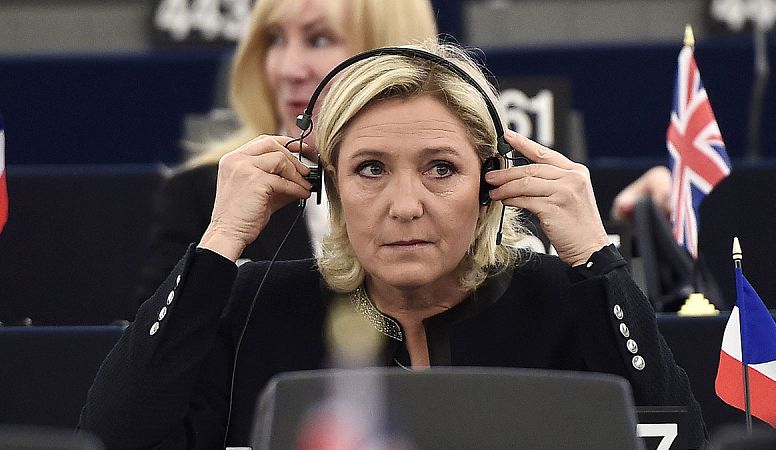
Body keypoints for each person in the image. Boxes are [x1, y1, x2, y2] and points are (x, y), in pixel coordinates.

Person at [80, 41, 707, 448]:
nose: (406, 205)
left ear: (490, 185)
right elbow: (114, 438)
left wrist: (596, 259)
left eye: (441, 169)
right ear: (328, 186)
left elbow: (673, 437)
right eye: (371, 169)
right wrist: (220, 243)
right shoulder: (254, 305)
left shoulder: (562, 300)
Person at [131, 0, 438, 311]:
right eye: (276, 39)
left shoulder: (459, 187)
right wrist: (222, 239)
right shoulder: (205, 193)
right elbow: (151, 338)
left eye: (319, 40)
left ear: (391, 57)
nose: (288, 70)